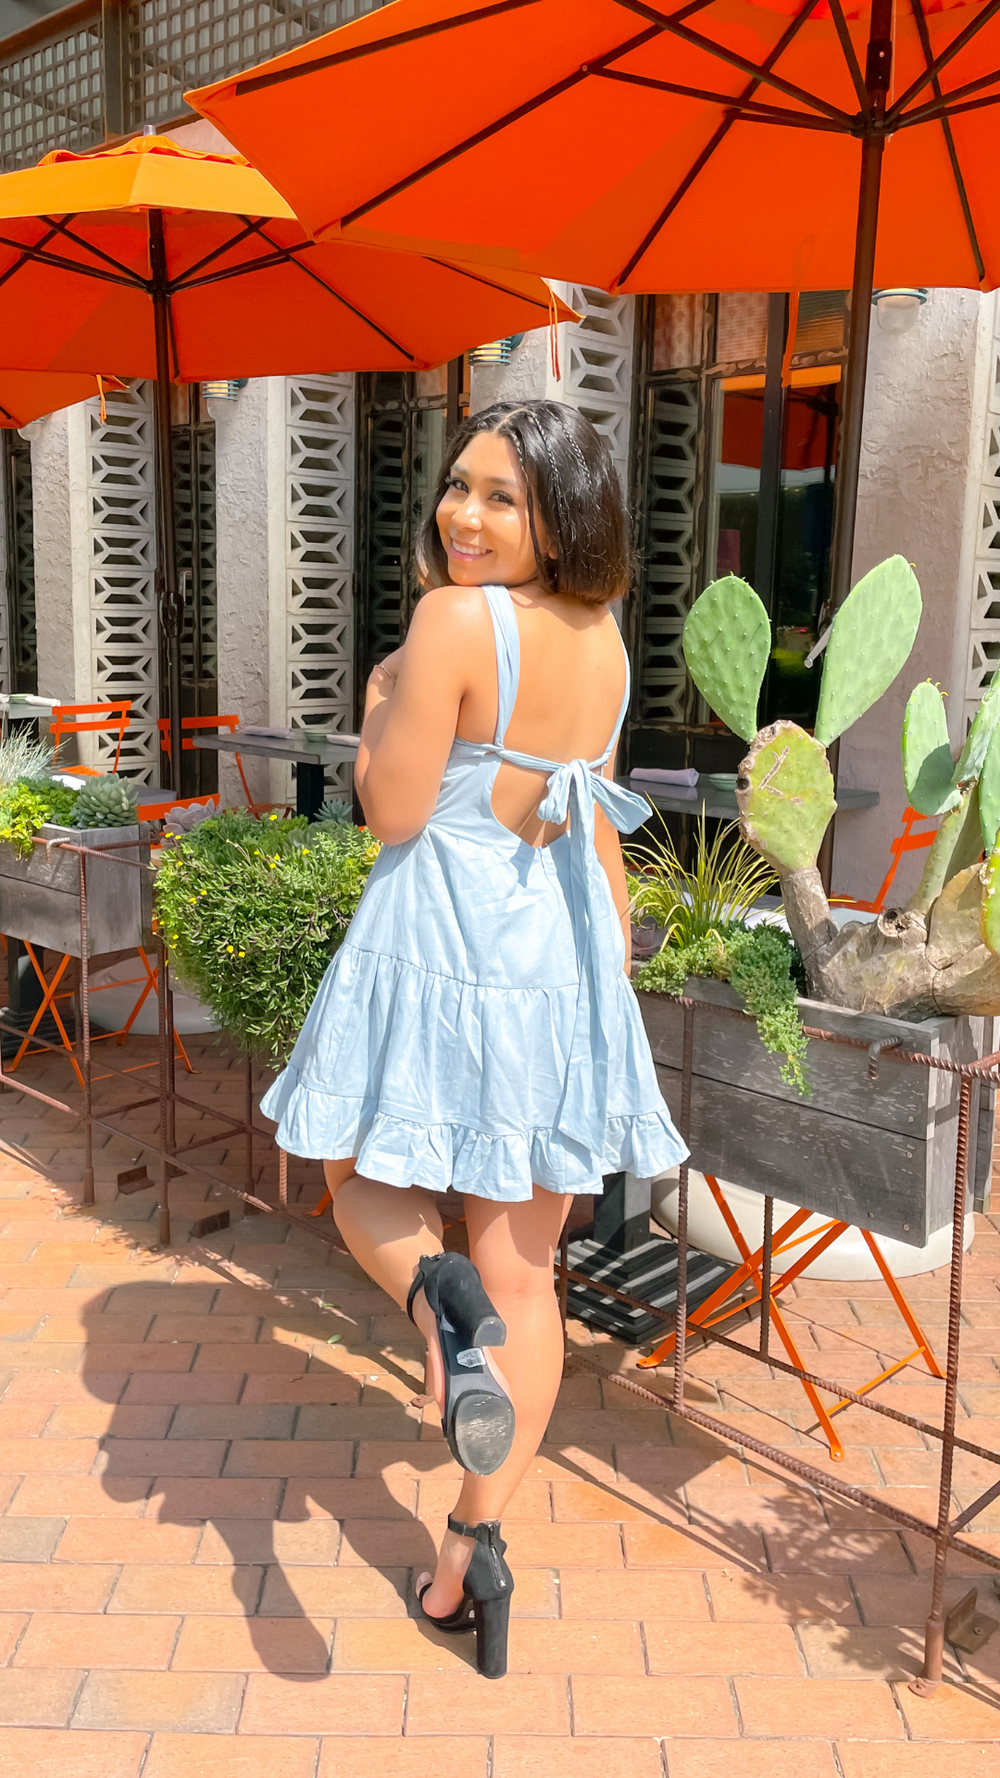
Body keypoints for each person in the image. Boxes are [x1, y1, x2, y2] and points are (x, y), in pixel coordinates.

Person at [261, 400, 687, 1677]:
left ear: (563, 510)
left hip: (439, 938)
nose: (463, 514)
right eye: (458, 488)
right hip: (558, 959)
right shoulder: (606, 638)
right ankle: (473, 1549)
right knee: (527, 1276)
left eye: (503, 495)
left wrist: (388, 693)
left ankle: (426, 1305)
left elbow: (393, 811)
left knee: (353, 1175)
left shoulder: (452, 620)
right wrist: (608, 963)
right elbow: (597, 823)